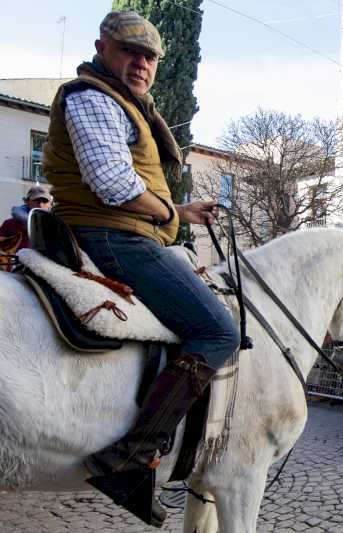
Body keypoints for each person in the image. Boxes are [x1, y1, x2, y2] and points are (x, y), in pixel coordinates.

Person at [42, 11, 241, 522]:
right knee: (217, 330)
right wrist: (171, 211)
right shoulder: (92, 97)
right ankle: (129, 456)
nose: (142, 62)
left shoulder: (128, 105)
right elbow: (112, 183)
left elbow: (137, 191)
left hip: (127, 232)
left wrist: (181, 213)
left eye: (150, 55)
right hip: (111, 237)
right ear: (101, 47)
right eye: (130, 50)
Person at [0, 186, 53, 271]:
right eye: (36, 200)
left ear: (51, 204)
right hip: (15, 272)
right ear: (26, 201)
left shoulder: (56, 227)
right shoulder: (9, 223)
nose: (40, 204)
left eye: (45, 201)